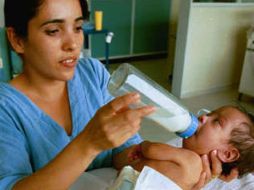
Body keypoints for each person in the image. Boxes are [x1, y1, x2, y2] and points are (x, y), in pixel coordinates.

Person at [0, 0, 234, 189]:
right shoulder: (6, 108)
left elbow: (124, 154)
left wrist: (179, 173)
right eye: (53, 30)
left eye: (78, 27)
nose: (73, 43)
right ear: (17, 39)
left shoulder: (92, 74)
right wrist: (88, 144)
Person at [120, 106, 254, 190]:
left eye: (217, 121)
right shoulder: (199, 177)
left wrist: (144, 145)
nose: (203, 117)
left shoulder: (191, 159)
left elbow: (152, 150)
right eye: (210, 113)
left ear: (228, 154)